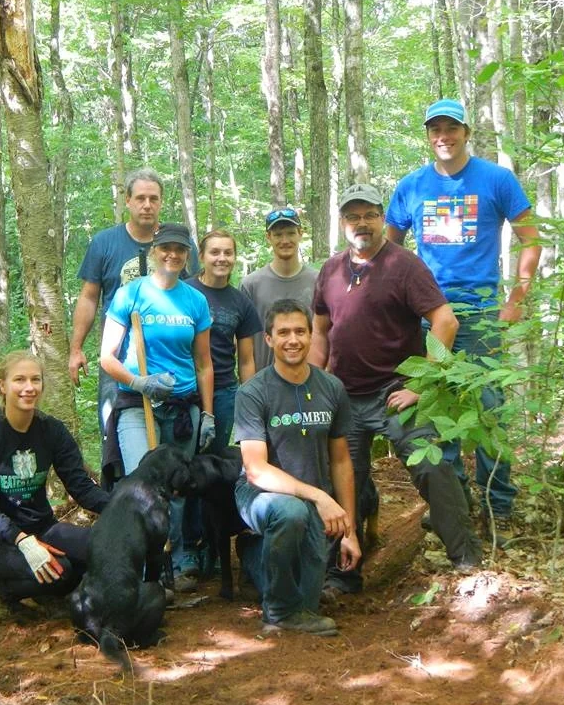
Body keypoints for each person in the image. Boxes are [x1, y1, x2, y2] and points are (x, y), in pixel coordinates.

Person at [310, 183, 483, 594]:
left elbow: (446, 321)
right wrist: (314, 385)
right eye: (353, 216)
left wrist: (422, 385)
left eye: (369, 214)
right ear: (342, 222)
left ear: (381, 217)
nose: (361, 223)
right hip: (343, 395)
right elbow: (320, 331)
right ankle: (343, 573)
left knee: (432, 466)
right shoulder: (331, 270)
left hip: (395, 392)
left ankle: (467, 558)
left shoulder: (404, 265)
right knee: (342, 481)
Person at [386, 99, 542, 544]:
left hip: (478, 315)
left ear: (466, 132)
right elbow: (390, 250)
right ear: (427, 134)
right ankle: (453, 504)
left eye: (451, 127)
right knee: (437, 409)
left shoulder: (496, 179)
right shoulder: (412, 186)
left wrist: (517, 297)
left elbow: (531, 239)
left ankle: (499, 505)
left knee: (489, 407)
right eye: (435, 128)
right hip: (428, 314)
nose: (443, 136)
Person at [234, 298, 361, 636]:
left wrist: (350, 531)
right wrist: (319, 496)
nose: (293, 340)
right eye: (284, 332)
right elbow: (255, 469)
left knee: (309, 601)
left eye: (300, 332)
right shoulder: (253, 392)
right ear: (269, 339)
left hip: (314, 503)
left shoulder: (331, 388)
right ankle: (277, 614)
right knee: (291, 513)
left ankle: (252, 555)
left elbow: (341, 460)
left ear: (311, 336)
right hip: (261, 496)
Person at [99, 222, 214, 589]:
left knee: (176, 491)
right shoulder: (130, 295)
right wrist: (138, 382)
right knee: (141, 489)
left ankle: (174, 568)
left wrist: (207, 413)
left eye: (180, 250)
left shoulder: (195, 300)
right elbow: (107, 357)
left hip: (182, 409)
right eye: (166, 248)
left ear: (187, 255)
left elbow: (204, 363)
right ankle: (142, 573)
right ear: (154, 251)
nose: (173, 255)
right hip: (138, 405)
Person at [0, 351, 111, 622]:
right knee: (63, 570)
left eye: (35, 379)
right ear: (2, 386)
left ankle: (46, 588)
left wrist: (124, 508)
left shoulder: (51, 430)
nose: (29, 387)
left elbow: (81, 487)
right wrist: (23, 541)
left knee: (102, 548)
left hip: (42, 527)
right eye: (19, 379)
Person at [68, 168, 199, 436]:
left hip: (169, 358)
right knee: (114, 430)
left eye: (153, 198)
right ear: (127, 200)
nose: (147, 205)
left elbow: (196, 296)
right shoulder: (105, 243)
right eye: (140, 198)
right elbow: (89, 297)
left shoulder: (178, 245)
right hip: (117, 358)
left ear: (161, 201)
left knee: (174, 443)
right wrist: (76, 348)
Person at [183, 229, 262, 579]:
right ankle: (188, 551)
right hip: (184, 393)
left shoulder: (239, 301)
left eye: (228, 252)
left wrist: (250, 397)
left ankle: (214, 550)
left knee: (213, 476)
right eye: (214, 252)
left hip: (226, 393)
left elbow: (246, 359)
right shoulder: (185, 291)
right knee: (186, 472)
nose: (221, 259)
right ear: (202, 255)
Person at [240, 208, 318, 372]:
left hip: (310, 382)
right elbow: (244, 349)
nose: (285, 240)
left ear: (300, 234)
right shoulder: (251, 285)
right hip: (264, 385)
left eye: (290, 233)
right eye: (278, 235)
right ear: (268, 237)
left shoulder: (318, 281)